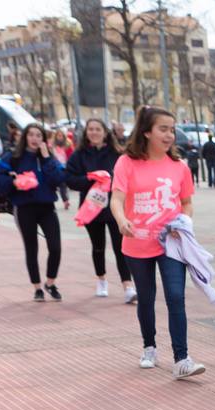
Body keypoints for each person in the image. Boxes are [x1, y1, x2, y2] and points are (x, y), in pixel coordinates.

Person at [111, 105, 207, 379]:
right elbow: (116, 199)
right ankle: (149, 345)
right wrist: (121, 220)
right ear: (147, 132)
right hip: (137, 242)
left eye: (172, 130)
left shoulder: (179, 167)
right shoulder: (127, 163)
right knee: (147, 298)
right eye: (163, 129)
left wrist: (183, 222)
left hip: (171, 244)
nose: (169, 135)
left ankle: (182, 359)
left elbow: (186, 203)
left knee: (176, 297)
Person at [0, 123, 67, 301]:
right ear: (25, 137)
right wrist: (13, 183)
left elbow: (60, 179)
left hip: (47, 208)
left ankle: (50, 283)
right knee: (31, 248)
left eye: (39, 135)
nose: (34, 139)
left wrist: (46, 159)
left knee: (55, 247)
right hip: (24, 208)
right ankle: (37, 288)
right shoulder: (13, 157)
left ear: (44, 139)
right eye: (31, 135)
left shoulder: (48, 158)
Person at [66, 118, 136, 302]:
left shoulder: (117, 153)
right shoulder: (79, 154)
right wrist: (90, 179)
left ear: (105, 132)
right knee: (98, 247)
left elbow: (128, 176)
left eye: (98, 129)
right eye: (91, 129)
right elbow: (70, 179)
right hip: (91, 208)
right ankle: (101, 279)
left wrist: (110, 180)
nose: (94, 132)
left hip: (115, 208)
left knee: (120, 247)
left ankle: (127, 285)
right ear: (86, 133)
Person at [51, 129, 73, 208]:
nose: (60, 137)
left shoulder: (68, 144)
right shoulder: (52, 146)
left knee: (65, 185)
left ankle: (66, 199)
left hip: (66, 167)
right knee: (62, 185)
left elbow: (71, 156)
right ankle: (65, 200)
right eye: (58, 135)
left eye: (61, 135)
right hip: (57, 168)